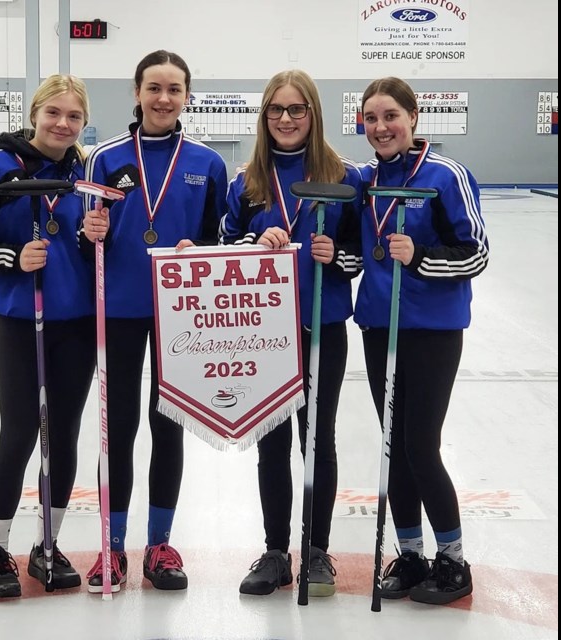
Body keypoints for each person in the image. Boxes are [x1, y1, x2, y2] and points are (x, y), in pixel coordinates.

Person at [0, 74, 110, 598]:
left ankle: (47, 544)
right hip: (22, 321)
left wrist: (93, 238)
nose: (63, 124)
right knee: (19, 432)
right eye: (54, 113)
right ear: (35, 113)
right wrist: (10, 259)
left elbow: (101, 245)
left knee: (62, 436)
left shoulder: (87, 171)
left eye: (74, 116)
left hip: (78, 323)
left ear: (84, 122)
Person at [82, 50, 228, 592]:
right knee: (117, 430)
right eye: (154, 88)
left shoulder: (208, 162)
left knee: (170, 427)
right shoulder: (104, 157)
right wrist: (89, 233)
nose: (163, 98)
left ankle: (160, 544)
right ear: (137, 92)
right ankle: (112, 546)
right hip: (118, 307)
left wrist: (204, 248)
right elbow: (83, 234)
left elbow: (220, 239)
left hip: (181, 313)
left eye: (174, 89)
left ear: (187, 96)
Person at [219, 70, 363, 597]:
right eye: (275, 110)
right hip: (264, 335)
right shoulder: (248, 180)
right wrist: (255, 241)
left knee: (316, 439)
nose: (285, 119)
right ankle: (276, 552)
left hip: (322, 328)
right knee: (272, 443)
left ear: (313, 114)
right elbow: (223, 245)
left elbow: (359, 255)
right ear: (264, 116)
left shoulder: (347, 177)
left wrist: (335, 257)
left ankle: (317, 552)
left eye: (296, 109)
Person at [355, 77, 488, 605]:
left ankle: (453, 561)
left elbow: (475, 253)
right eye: (371, 119)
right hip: (379, 326)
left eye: (390, 116)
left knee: (419, 445)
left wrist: (421, 257)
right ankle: (409, 556)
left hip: (432, 329)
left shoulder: (445, 174)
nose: (381, 127)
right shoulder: (365, 180)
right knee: (392, 449)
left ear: (413, 117)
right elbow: (353, 251)